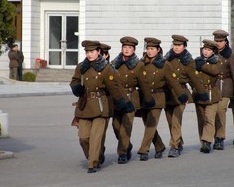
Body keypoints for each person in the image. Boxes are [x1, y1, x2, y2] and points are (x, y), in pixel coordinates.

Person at [70, 40, 134, 173]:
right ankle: (96, 155)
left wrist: (123, 102)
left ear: (98, 52)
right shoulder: (81, 67)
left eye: (92, 52)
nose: (89, 54)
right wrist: (76, 87)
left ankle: (92, 163)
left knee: (96, 137)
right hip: (84, 106)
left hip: (101, 107)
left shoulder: (106, 68)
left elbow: (115, 87)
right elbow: (74, 80)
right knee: (83, 138)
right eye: (87, 52)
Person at [137, 37, 189, 161]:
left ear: (158, 49)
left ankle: (144, 150)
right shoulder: (141, 63)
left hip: (158, 97)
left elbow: (173, 81)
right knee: (147, 124)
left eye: (152, 49)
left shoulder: (164, 64)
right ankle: (159, 146)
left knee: (151, 123)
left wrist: (181, 95)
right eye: (148, 48)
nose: (149, 51)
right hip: (143, 97)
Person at [111, 36, 155, 164]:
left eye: (129, 48)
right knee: (116, 126)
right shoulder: (115, 63)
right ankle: (127, 145)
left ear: (134, 50)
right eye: (125, 47)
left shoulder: (138, 65)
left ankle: (123, 153)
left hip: (131, 99)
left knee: (126, 127)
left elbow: (144, 84)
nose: (126, 50)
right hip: (117, 99)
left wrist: (148, 99)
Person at [163, 34, 207, 158]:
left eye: (179, 45)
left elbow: (195, 79)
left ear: (184, 47)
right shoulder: (166, 59)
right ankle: (179, 141)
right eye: (175, 45)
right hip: (168, 94)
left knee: (176, 120)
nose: (176, 48)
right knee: (170, 122)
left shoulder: (188, 61)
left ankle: (174, 146)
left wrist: (201, 93)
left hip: (181, 94)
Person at [211, 30, 234, 150]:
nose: (218, 43)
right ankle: (212, 137)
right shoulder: (211, 53)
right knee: (212, 113)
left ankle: (220, 138)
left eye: (221, 41)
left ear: (225, 41)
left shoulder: (230, 55)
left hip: (226, 86)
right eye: (217, 41)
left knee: (220, 110)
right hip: (213, 86)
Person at [192, 39, 222, 153]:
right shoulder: (196, 61)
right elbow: (191, 75)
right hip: (198, 94)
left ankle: (207, 141)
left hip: (211, 95)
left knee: (209, 119)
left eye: (208, 50)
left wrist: (202, 65)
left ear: (213, 52)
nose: (205, 52)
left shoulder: (216, 62)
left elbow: (215, 71)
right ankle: (203, 141)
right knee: (201, 119)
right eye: (204, 49)